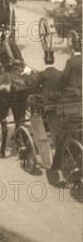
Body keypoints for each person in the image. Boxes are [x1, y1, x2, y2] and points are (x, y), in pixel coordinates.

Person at [47, 34, 82, 186]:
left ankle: (56, 165)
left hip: (71, 103)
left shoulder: (71, 62)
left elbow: (64, 80)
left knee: (61, 133)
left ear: (72, 49)